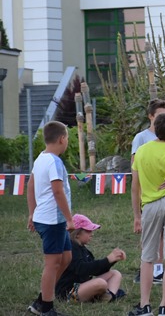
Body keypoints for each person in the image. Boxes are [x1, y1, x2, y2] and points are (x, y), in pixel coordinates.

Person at [129, 111, 165, 316]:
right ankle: (164, 307)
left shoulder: (141, 151)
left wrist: (137, 215)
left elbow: (135, 187)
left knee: (147, 257)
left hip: (150, 206)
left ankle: (144, 306)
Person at [27, 121, 74, 316]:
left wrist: (32, 213)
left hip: (50, 219)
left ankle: (41, 299)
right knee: (52, 263)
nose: (67, 142)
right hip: (52, 220)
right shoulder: (54, 161)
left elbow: (30, 186)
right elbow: (57, 191)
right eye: (67, 138)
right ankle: (46, 307)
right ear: (62, 139)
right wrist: (69, 219)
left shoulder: (41, 158)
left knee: (66, 257)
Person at [131, 98, 165, 285]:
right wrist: (137, 206)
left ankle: (158, 270)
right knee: (148, 235)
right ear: (151, 116)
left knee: (162, 234)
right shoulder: (140, 138)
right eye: (160, 116)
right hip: (147, 194)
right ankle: (145, 268)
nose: (164, 119)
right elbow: (135, 170)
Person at [56, 214, 126, 303]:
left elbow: (95, 271)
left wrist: (112, 260)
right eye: (88, 231)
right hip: (68, 293)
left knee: (115, 274)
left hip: (82, 286)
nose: (91, 234)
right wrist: (107, 259)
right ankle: (103, 296)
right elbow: (82, 269)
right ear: (77, 234)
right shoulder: (70, 249)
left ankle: (109, 296)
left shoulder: (83, 249)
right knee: (100, 283)